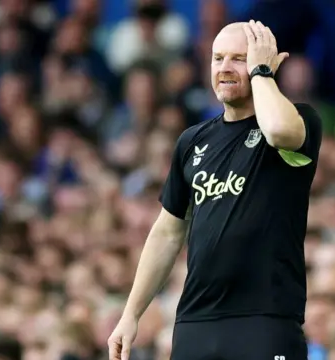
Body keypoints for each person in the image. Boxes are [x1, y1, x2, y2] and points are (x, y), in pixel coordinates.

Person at [107, 19, 322, 360]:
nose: (224, 68)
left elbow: (279, 131)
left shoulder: (300, 118)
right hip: (196, 321)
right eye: (217, 58)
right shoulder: (192, 141)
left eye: (239, 58)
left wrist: (262, 72)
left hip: (265, 318)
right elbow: (167, 232)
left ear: (263, 63)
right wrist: (131, 314)